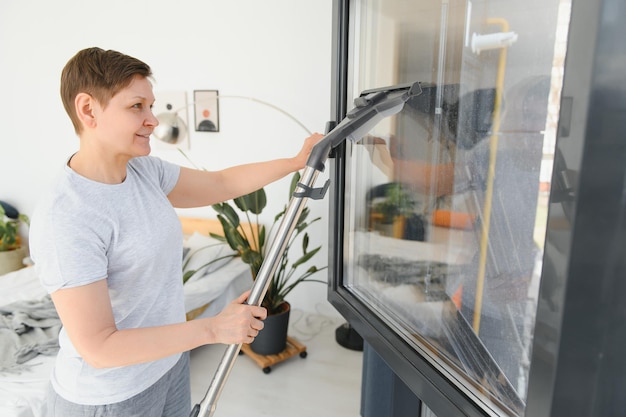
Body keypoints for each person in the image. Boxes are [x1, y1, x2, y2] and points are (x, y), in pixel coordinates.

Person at [28, 47, 323, 417]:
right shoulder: (67, 216)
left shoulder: (143, 172)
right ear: (88, 110)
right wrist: (212, 329)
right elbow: (99, 347)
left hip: (167, 367)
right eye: (137, 106)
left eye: (151, 106)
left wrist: (298, 161)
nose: (152, 119)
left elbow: (221, 182)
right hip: (109, 398)